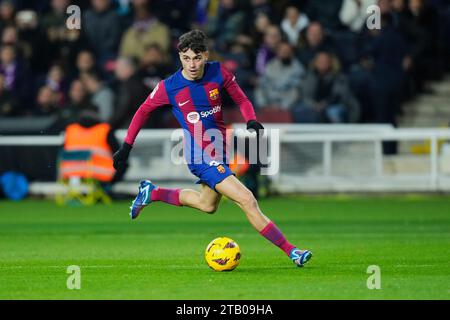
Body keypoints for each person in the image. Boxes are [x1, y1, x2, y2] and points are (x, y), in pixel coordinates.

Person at [112, 30, 312, 268]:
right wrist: (126, 146)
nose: (192, 64)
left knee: (207, 205)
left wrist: (251, 119)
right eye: (186, 58)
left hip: (220, 150)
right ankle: (292, 252)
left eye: (196, 57)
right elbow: (143, 111)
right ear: (180, 58)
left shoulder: (218, 72)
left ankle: (152, 193)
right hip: (200, 155)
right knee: (247, 199)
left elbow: (242, 99)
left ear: (205, 55)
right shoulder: (169, 87)